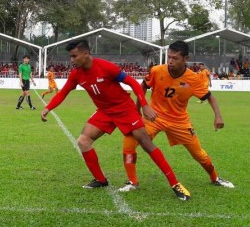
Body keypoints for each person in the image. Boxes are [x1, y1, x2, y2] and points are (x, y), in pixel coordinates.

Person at [41, 40, 191, 201]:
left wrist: (145, 106)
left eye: (74, 56)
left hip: (125, 109)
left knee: (146, 144)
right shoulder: (76, 74)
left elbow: (133, 83)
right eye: (70, 57)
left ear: (86, 53)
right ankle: (101, 180)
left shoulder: (106, 67)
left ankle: (175, 184)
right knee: (83, 141)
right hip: (104, 112)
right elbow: (63, 93)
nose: (71, 60)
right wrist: (48, 108)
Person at [119, 41, 234, 193]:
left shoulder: (193, 79)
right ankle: (132, 181)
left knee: (199, 154)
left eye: (175, 58)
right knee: (129, 142)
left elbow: (210, 97)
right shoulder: (157, 70)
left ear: (186, 59)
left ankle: (215, 178)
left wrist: (218, 116)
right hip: (154, 117)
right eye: (169, 57)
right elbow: (143, 86)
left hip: (179, 121)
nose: (171, 61)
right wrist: (139, 109)